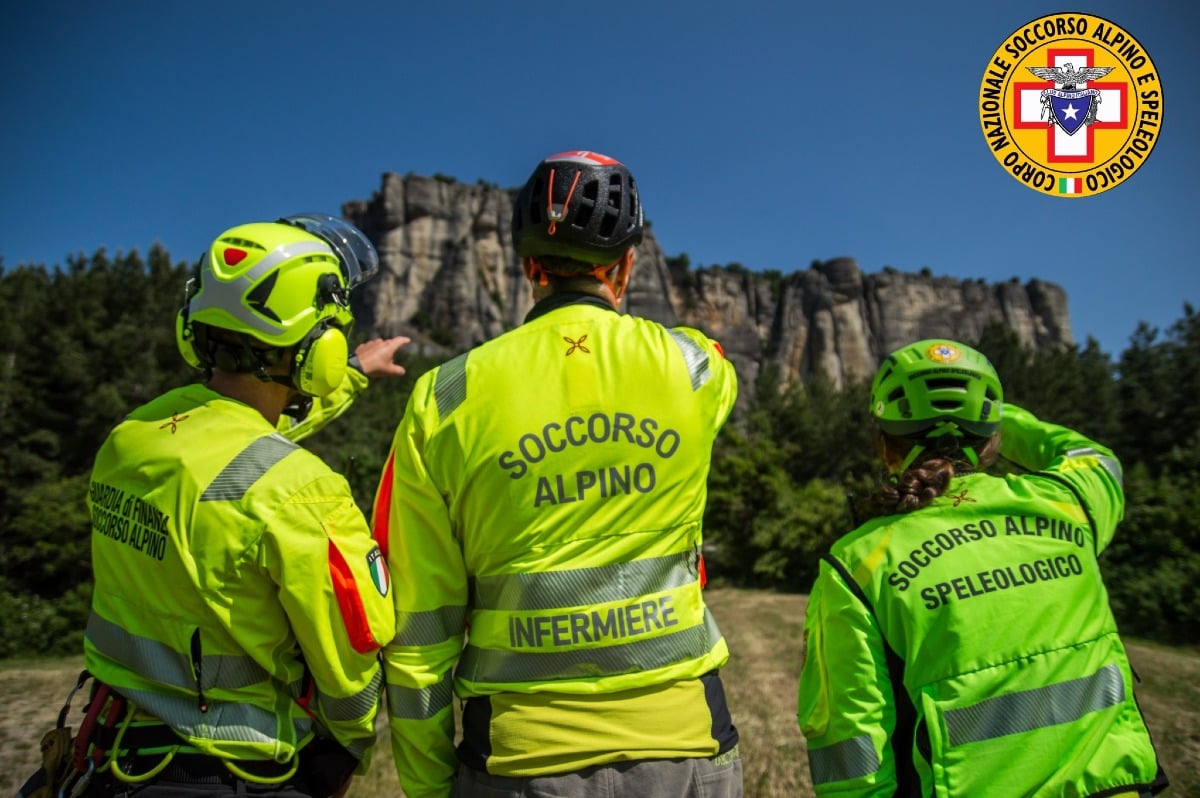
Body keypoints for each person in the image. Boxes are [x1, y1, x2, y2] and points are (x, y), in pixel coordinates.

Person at [374, 150, 742, 798]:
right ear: (628, 264)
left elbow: (419, 629)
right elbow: (709, 354)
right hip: (686, 746)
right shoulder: (695, 371)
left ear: (526, 268)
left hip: (516, 762)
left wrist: (430, 784)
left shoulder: (443, 397)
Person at [66, 213, 403, 798]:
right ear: (322, 344)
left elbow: (235, 444)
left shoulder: (132, 439)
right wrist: (347, 744)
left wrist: (350, 377)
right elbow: (352, 665)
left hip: (108, 757)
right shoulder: (303, 492)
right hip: (231, 772)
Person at [796, 339, 1169, 796]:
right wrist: (996, 414)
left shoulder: (857, 564)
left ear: (885, 447)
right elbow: (1095, 457)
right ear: (993, 439)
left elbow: (851, 750)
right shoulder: (1067, 504)